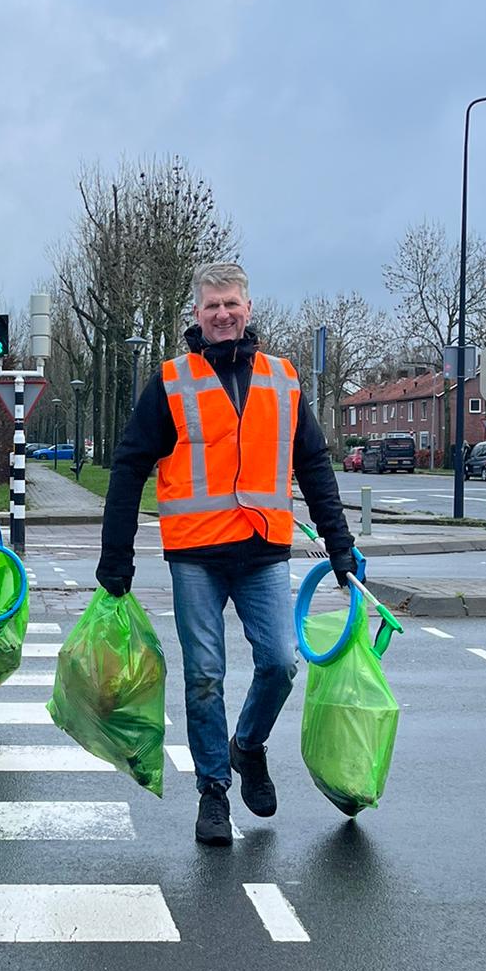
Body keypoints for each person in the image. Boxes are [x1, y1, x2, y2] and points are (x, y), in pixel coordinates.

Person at [95, 261, 357, 846]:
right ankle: (213, 792)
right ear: (196, 313)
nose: (222, 314)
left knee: (281, 662)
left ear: (248, 308)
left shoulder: (282, 379)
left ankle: (248, 745)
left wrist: (339, 544)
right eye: (212, 305)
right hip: (196, 554)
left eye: (231, 303)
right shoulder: (172, 380)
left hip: (263, 550)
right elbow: (129, 465)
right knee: (205, 676)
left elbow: (314, 464)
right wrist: (116, 555)